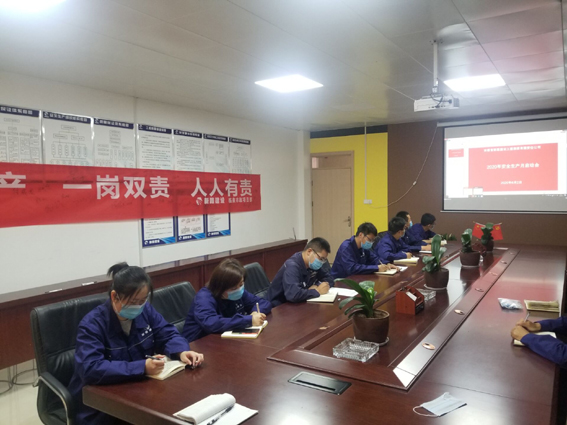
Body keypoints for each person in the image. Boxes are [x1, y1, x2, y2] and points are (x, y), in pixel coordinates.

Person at [68, 263, 204, 425]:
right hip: (101, 406)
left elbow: (167, 333)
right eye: (133, 301)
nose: (138, 307)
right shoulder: (92, 324)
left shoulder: (145, 310)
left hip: (139, 392)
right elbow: (90, 368)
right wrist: (142, 367)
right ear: (114, 296)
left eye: (143, 300)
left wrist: (181, 351)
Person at [183, 258, 272, 342]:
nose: (239, 289)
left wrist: (255, 313)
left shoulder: (238, 292)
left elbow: (263, 303)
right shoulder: (204, 297)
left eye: (241, 284)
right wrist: (248, 320)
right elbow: (211, 323)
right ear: (220, 287)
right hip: (199, 344)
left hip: (226, 339)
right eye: (233, 288)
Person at [267, 237, 334, 307]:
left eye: (324, 260)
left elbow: (329, 279)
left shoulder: (311, 264)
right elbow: (293, 294)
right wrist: (317, 291)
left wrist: (318, 286)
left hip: (299, 303)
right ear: (309, 252)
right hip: (278, 306)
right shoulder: (292, 266)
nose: (322, 262)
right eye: (321, 258)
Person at [331, 222, 396, 279]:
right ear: (361, 235)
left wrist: (386, 264)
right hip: (341, 281)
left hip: (356, 278)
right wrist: (377, 268)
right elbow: (352, 268)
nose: (371, 243)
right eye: (370, 239)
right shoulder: (346, 247)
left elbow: (374, 258)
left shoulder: (363, 247)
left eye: (373, 240)